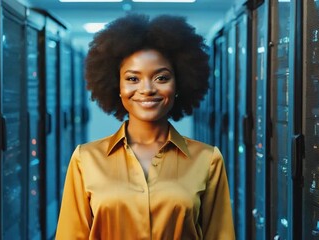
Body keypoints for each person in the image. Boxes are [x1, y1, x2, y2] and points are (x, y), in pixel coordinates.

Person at [56, 14, 235, 239]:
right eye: (132, 79)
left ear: (179, 84)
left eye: (161, 78)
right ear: (116, 86)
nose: (147, 89)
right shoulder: (85, 160)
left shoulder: (207, 160)